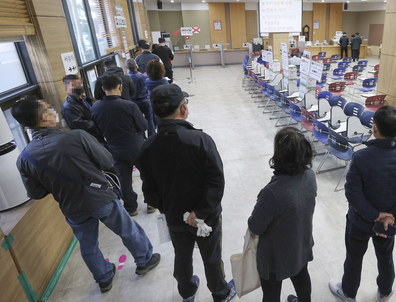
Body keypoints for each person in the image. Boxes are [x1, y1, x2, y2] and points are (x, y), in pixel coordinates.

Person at [13, 96, 160, 293]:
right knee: (127, 229)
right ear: (45, 117)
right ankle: (144, 259)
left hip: (71, 207)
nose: (53, 111)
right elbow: (107, 160)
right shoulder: (76, 136)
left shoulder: (24, 159)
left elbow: (36, 193)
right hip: (100, 198)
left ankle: (104, 278)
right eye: (48, 108)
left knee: (88, 245)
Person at [138, 84, 236, 302]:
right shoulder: (200, 141)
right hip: (205, 218)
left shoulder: (146, 147)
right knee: (211, 256)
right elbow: (216, 182)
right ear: (183, 109)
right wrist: (198, 212)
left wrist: (172, 210)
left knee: (182, 255)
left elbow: (150, 192)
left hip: (174, 217)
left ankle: (187, 292)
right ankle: (220, 293)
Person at [329, 105, 396, 302]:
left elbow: (353, 193)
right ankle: (384, 291)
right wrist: (392, 215)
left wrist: (374, 214)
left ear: (374, 128)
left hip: (360, 221)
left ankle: (348, 292)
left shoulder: (361, 157)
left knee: (354, 257)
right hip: (388, 224)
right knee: (385, 257)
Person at [248, 127, 317, 302]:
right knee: (302, 279)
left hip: (275, 256)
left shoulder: (273, 192)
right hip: (300, 243)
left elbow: (255, 226)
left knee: (271, 293)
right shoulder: (309, 176)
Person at [91, 75, 151, 216]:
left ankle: (131, 207)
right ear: (120, 87)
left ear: (102, 88)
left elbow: (97, 132)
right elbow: (143, 126)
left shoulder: (96, 108)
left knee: (123, 179)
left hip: (114, 148)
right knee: (147, 174)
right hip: (136, 146)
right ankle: (151, 203)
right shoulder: (129, 106)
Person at [60, 74, 105, 145]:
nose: (78, 86)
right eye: (73, 85)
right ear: (66, 88)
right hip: (89, 141)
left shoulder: (86, 99)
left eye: (79, 84)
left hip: (100, 137)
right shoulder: (68, 107)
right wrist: (99, 121)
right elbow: (82, 126)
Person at [127, 58, 156, 136]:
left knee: (137, 121)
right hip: (145, 101)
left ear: (127, 68)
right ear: (136, 66)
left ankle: (142, 136)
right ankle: (152, 136)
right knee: (150, 120)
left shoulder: (126, 78)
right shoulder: (143, 77)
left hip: (133, 103)